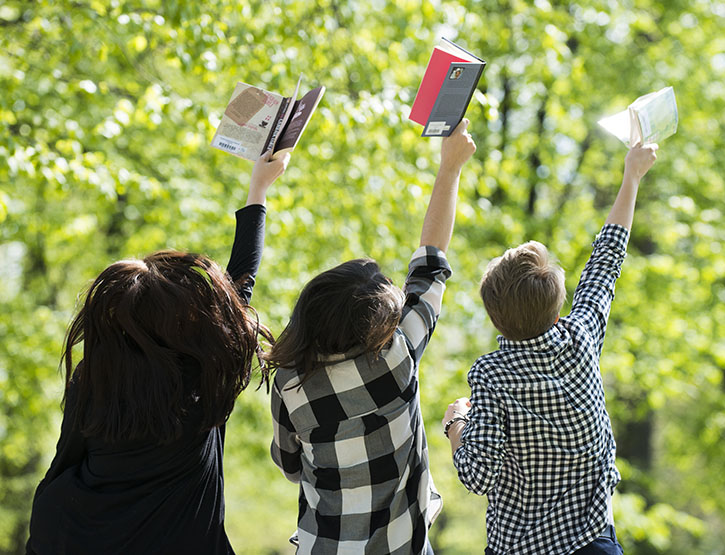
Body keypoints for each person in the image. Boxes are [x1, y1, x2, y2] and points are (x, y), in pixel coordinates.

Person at [26, 151, 291, 554]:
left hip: (78, 531)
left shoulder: (96, 379)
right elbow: (241, 287)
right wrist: (259, 190)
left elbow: (64, 462)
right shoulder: (204, 378)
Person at [265, 120, 477, 555]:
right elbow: (431, 263)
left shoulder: (289, 381)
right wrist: (449, 168)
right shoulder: (397, 358)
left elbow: (289, 466)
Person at [441, 143, 659, 555]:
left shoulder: (491, 374)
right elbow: (607, 260)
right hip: (595, 544)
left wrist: (457, 424)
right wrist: (631, 176)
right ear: (557, 304)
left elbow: (479, 475)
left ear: (494, 318)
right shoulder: (582, 338)